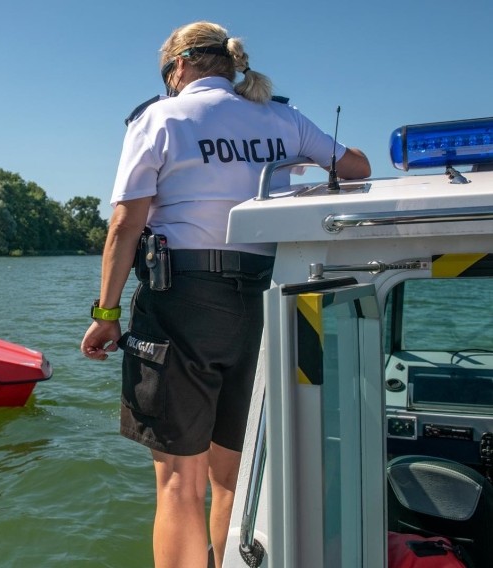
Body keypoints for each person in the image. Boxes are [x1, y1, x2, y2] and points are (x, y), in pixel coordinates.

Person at [80, 21, 370, 568]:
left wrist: (106, 314)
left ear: (179, 69)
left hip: (182, 300)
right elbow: (357, 168)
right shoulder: (283, 118)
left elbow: (125, 224)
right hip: (270, 302)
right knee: (233, 475)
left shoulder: (160, 118)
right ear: (231, 66)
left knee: (178, 484)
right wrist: (298, 161)